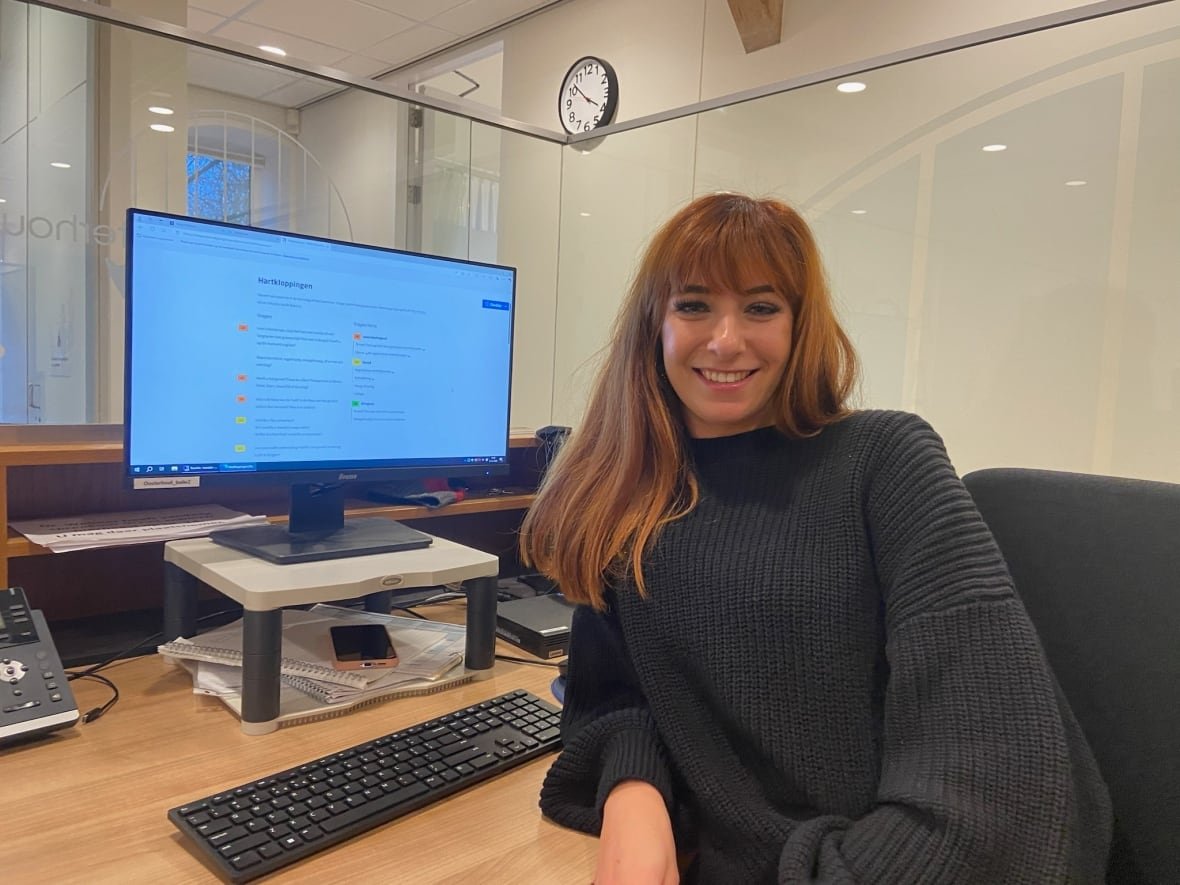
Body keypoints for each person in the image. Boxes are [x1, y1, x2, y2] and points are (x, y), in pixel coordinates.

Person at [518, 192, 1112, 884]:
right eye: (694, 305)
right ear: (654, 323)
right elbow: (612, 697)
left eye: (761, 307)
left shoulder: (885, 459)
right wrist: (634, 794)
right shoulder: (630, 493)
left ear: (800, 326)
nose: (725, 339)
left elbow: (994, 778)